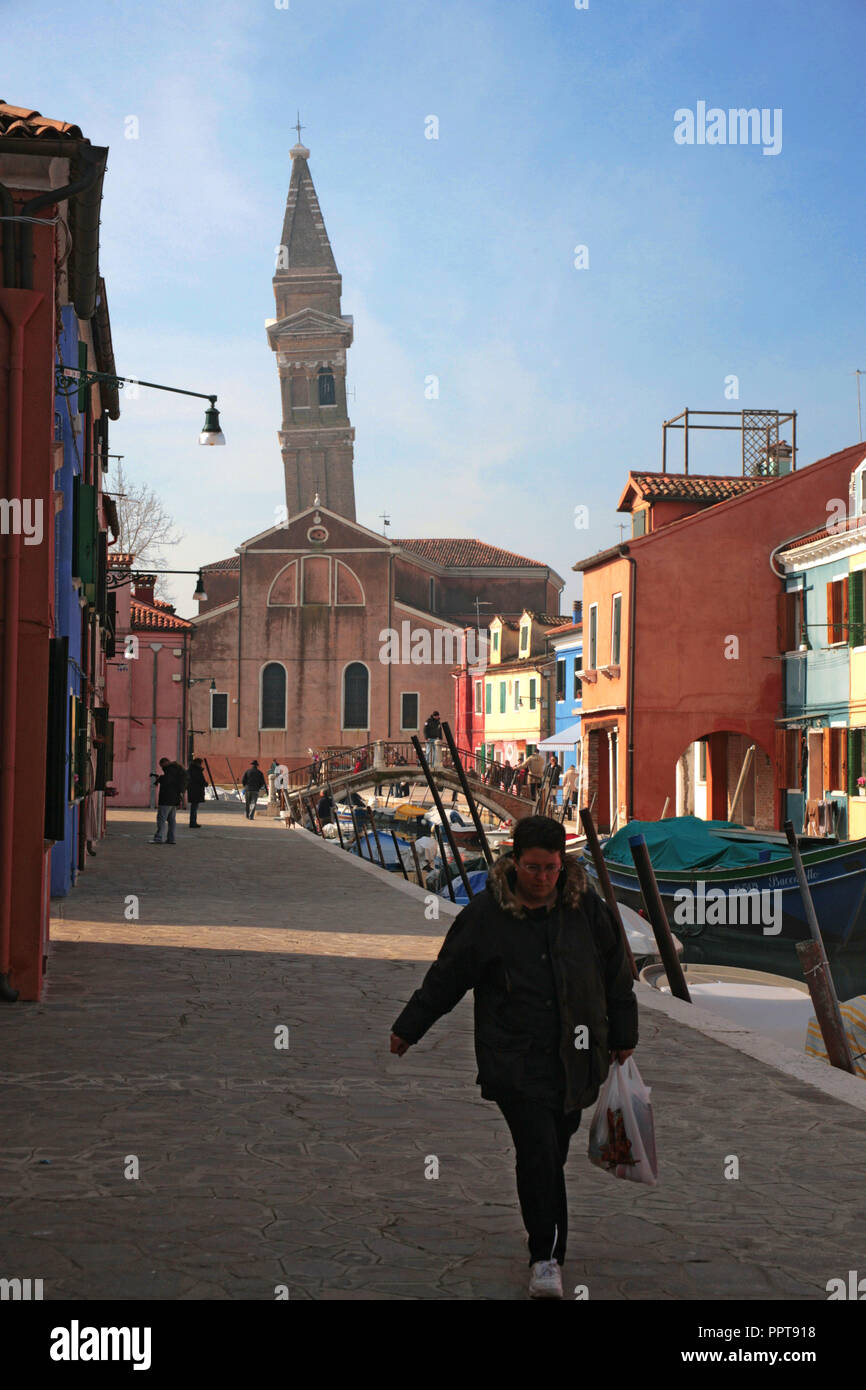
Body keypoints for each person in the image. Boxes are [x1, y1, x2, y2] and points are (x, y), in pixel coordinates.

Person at [390, 815, 638, 1300]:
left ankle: (546, 1242)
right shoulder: (486, 917)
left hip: (577, 1055)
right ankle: (546, 1258)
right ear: (513, 862)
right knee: (537, 1152)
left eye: (551, 869)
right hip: (515, 1059)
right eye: (533, 868)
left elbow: (615, 973)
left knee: (555, 1150)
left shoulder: (586, 907)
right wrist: (409, 1027)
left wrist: (624, 1033)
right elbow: (447, 977)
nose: (543, 878)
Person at [151, 758, 187, 844]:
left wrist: (160, 778)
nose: (162, 768)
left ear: (164, 763)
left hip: (166, 799)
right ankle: (171, 839)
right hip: (174, 798)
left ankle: (158, 838)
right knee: (171, 820)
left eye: (161, 765)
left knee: (161, 819)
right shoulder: (177, 769)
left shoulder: (170, 770)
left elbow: (167, 781)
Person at [187, 757, 207, 827]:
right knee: (194, 808)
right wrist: (205, 783)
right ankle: (193, 822)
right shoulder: (196, 770)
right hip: (196, 791)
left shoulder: (191, 769)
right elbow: (200, 780)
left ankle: (193, 822)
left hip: (192, 790)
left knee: (194, 807)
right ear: (198, 763)